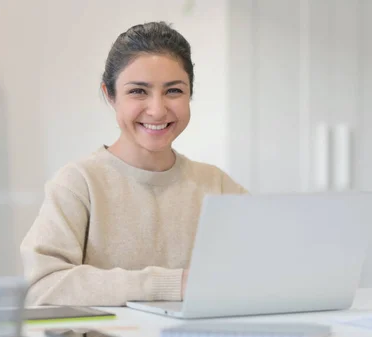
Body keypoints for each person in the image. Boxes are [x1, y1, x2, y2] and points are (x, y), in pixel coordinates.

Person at [19, 21, 248, 307]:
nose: (156, 109)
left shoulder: (218, 186)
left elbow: (268, 269)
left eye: (174, 91)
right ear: (110, 95)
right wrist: (170, 284)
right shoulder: (79, 182)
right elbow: (42, 286)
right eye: (138, 91)